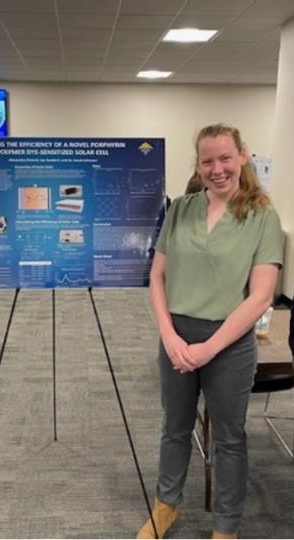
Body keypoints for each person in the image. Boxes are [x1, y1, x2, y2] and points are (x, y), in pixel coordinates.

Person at [137, 124, 283, 539]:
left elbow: (260, 297)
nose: (216, 169)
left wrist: (209, 348)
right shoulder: (181, 209)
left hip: (230, 342)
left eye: (224, 158)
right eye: (207, 161)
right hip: (176, 337)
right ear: (197, 165)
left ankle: (226, 526)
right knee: (174, 427)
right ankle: (166, 506)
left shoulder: (261, 217)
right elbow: (158, 277)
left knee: (229, 438)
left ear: (242, 156)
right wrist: (169, 336)